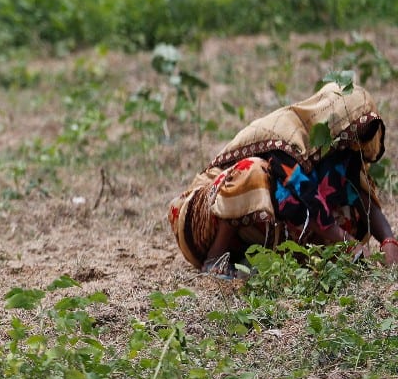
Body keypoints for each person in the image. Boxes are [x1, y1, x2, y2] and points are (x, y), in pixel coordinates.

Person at [169, 82, 398, 279]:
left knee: (349, 211)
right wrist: (347, 241)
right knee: (254, 173)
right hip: (200, 221)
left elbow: (363, 195)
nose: (352, 143)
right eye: (353, 132)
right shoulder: (288, 132)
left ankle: (253, 262)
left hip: (254, 236)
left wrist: (388, 240)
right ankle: (215, 259)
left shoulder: (339, 154)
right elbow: (309, 200)